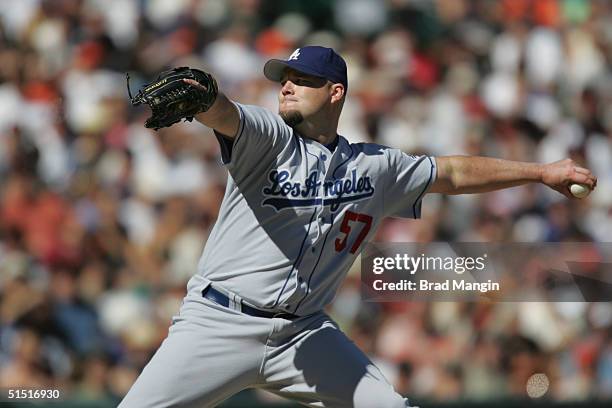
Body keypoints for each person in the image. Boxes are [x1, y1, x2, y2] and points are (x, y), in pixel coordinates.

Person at [119, 46, 597, 407]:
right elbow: (226, 114)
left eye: (300, 79)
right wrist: (206, 98)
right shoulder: (268, 139)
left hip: (304, 334)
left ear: (335, 92)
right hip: (219, 322)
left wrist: (541, 172)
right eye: (283, 79)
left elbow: (451, 174)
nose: (285, 86)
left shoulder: (374, 169)